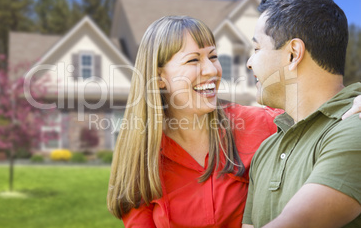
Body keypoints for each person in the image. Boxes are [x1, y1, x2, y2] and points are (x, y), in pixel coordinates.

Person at [107, 15, 361, 228]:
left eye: (213, 57)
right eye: (193, 60)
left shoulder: (258, 123)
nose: (211, 70)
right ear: (159, 76)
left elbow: (321, 112)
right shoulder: (143, 157)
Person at [243, 0, 361, 228]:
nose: (249, 62)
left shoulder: (354, 128)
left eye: (257, 49)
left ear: (293, 54)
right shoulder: (266, 150)